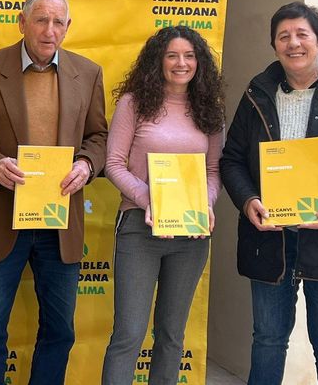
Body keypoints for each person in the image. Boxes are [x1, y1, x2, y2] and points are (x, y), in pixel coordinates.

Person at [0, 0, 108, 385]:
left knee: (60, 330)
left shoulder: (88, 73)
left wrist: (87, 164)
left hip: (60, 222)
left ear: (68, 26)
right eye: (41, 20)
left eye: (58, 22)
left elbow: (98, 136)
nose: (49, 30)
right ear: (22, 22)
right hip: (0, 218)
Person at [220, 1, 318, 385]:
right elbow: (232, 160)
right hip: (271, 240)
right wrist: (249, 201)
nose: (293, 43)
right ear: (274, 45)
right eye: (283, 36)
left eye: (302, 34)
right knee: (267, 341)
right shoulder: (257, 93)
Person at [100, 26, 225, 384]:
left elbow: (213, 171)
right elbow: (114, 164)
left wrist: (205, 203)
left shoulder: (209, 110)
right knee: (129, 334)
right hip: (140, 229)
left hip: (191, 234)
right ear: (158, 60)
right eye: (172, 55)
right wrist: (147, 200)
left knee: (171, 335)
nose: (181, 63)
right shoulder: (133, 103)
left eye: (189, 56)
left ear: (199, 62)